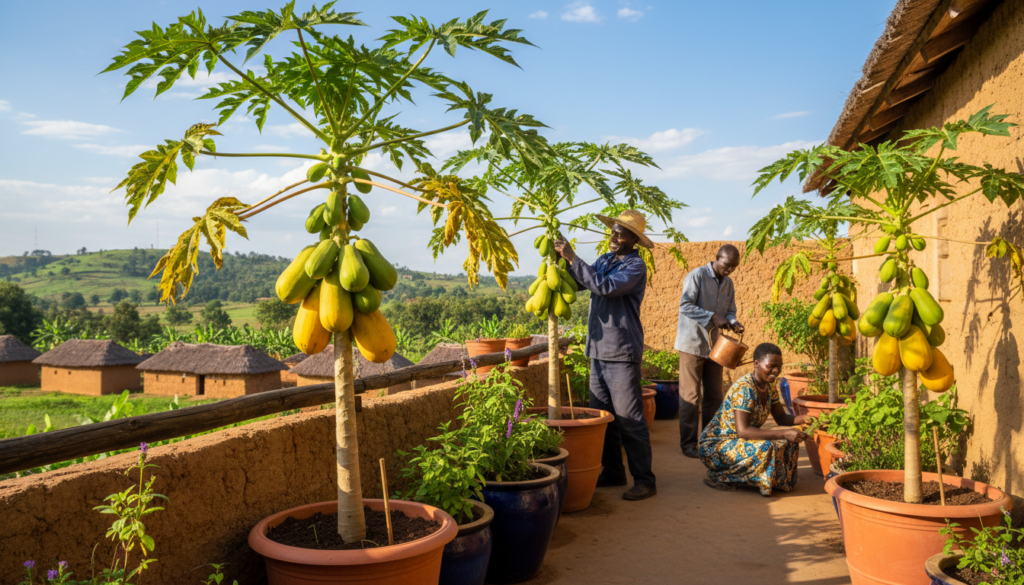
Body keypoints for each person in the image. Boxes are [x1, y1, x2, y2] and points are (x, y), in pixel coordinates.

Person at [553, 210, 656, 501]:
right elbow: (581, 283)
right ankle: (613, 472)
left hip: (621, 351)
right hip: (598, 350)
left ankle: (645, 480)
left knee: (629, 419)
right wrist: (559, 263)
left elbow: (605, 287)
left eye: (621, 234)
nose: (614, 236)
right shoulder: (604, 260)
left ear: (634, 240)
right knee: (604, 418)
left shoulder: (635, 266)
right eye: (613, 231)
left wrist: (573, 257)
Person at [698, 343, 807, 495]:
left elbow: (781, 418)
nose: (776, 371)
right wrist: (784, 433)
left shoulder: (769, 387)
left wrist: (805, 419)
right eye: (771, 366)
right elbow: (743, 431)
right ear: (756, 364)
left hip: (739, 441)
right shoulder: (745, 389)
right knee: (766, 447)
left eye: (779, 367)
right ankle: (721, 476)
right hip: (716, 447)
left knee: (789, 442)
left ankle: (778, 482)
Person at [675, 244, 745, 459]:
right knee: (691, 396)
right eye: (727, 265)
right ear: (717, 258)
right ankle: (688, 444)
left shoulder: (728, 283)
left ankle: (709, 440)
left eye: (734, 267)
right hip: (692, 345)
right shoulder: (697, 276)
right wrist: (712, 316)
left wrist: (733, 322)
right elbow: (685, 305)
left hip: (716, 347)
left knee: (714, 396)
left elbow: (730, 310)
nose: (730, 270)